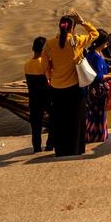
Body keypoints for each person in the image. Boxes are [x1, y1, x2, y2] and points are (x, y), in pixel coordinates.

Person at [42, 12, 98, 157]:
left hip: (57, 88)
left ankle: (61, 150)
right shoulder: (76, 41)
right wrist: (83, 21)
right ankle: (76, 149)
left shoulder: (49, 44)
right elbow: (95, 34)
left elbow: (45, 65)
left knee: (60, 120)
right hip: (75, 88)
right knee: (76, 119)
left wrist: (50, 77)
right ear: (72, 28)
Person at [85, 31, 111, 145]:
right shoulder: (95, 56)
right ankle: (98, 136)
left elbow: (105, 66)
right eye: (106, 42)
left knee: (94, 114)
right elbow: (97, 76)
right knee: (99, 113)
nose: (107, 45)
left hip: (93, 90)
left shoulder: (94, 53)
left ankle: (94, 135)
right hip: (97, 91)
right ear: (102, 43)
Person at [25, 36, 53, 153]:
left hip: (33, 98)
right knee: (54, 121)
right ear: (44, 50)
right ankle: (50, 145)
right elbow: (50, 79)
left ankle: (36, 148)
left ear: (33, 48)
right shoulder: (45, 63)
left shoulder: (27, 64)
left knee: (35, 126)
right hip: (46, 97)